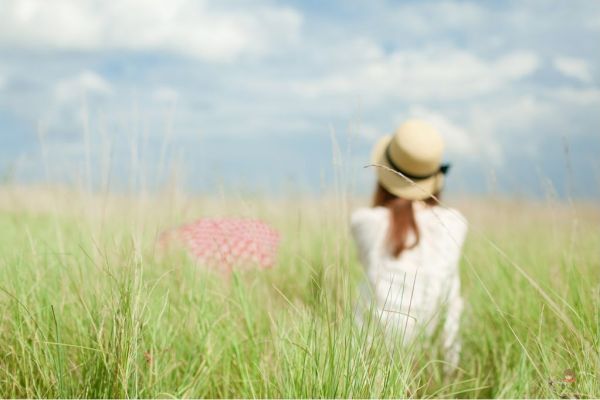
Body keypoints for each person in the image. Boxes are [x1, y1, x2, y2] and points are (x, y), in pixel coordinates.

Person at [351, 119, 468, 370]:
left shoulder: (366, 222)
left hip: (373, 360)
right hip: (439, 362)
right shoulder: (455, 223)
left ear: (384, 175)